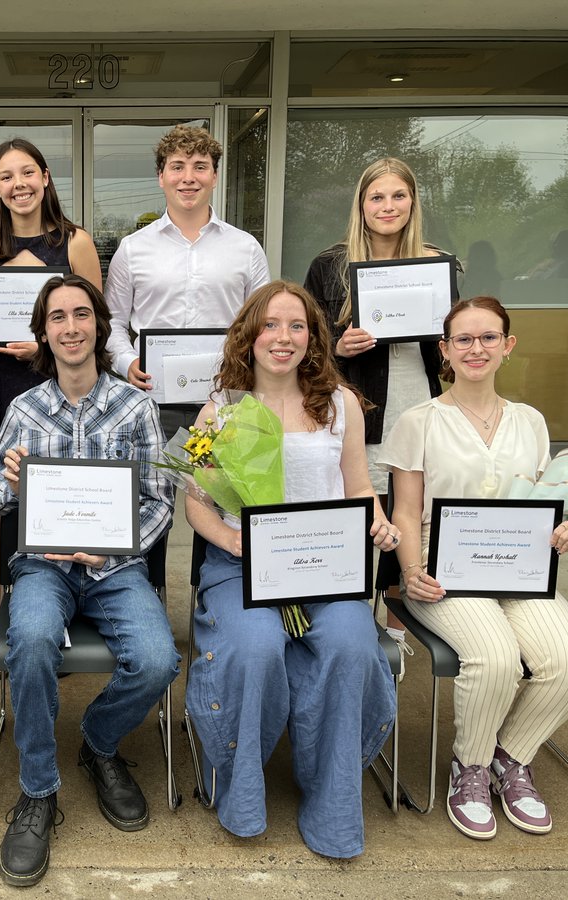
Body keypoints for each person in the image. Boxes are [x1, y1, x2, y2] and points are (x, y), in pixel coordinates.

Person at [0, 274, 179, 887]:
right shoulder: (24, 409)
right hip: (43, 566)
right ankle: (39, 790)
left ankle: (99, 739)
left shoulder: (135, 406)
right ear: (43, 332)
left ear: (99, 326)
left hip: (115, 569)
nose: (70, 327)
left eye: (81, 315)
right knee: (29, 640)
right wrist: (8, 484)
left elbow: (160, 498)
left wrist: (117, 546)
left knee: (158, 659)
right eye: (57, 317)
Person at [183, 280, 398, 858]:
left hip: (324, 568)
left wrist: (376, 521)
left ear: (313, 336)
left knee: (353, 647)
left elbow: (358, 487)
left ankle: (332, 806)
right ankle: (244, 795)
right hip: (241, 565)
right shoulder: (220, 409)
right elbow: (197, 501)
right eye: (271, 325)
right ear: (250, 335)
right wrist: (232, 539)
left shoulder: (340, 404)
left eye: (297, 326)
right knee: (253, 648)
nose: (283, 337)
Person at [381, 296, 568, 841]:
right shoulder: (419, 420)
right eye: (464, 340)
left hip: (521, 568)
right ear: (444, 350)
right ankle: (469, 768)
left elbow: (551, 500)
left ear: (508, 345)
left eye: (488, 338)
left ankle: (510, 757)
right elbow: (404, 509)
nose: (476, 349)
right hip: (444, 566)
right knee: (495, 657)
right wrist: (409, 571)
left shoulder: (531, 422)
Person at [0, 139, 102, 674]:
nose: (19, 184)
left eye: (28, 173)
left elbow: (93, 323)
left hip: (55, 382)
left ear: (44, 177)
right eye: (6, 176)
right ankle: (0, 623)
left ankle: (55, 613)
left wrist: (47, 345)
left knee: (59, 501)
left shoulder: (75, 241)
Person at [303, 157, 455, 644]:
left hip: (418, 402)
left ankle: (394, 633)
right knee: (360, 513)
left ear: (413, 202)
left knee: (405, 511)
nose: (388, 206)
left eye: (398, 196)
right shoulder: (330, 265)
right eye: (377, 197)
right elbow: (303, 343)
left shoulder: (438, 264)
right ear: (361, 204)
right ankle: (342, 621)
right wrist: (336, 348)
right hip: (359, 408)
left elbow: (453, 345)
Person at [104, 123, 270, 434]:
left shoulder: (246, 248)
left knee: (218, 484)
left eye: (200, 167)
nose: (188, 177)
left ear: (215, 176)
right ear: (161, 176)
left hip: (226, 400)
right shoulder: (132, 249)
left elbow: (263, 323)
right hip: (151, 402)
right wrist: (127, 362)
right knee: (152, 483)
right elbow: (112, 322)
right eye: (177, 166)